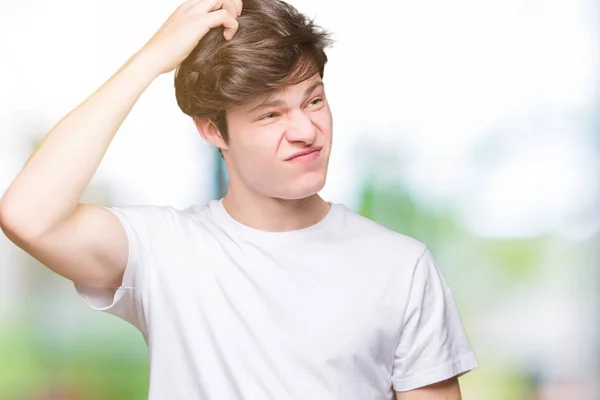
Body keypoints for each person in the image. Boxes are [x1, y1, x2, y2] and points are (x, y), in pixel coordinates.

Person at [0, 0, 478, 398]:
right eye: (270, 115)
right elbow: (28, 215)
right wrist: (151, 58)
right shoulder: (165, 250)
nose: (306, 132)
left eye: (313, 100)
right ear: (213, 130)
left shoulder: (400, 266)